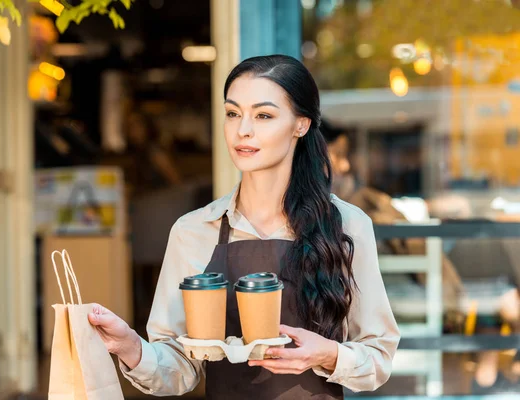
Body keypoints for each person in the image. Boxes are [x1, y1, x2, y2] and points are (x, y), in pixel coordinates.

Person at [87, 55, 400, 399]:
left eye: (263, 115)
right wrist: (130, 345)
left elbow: (378, 358)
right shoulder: (193, 231)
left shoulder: (347, 225)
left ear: (301, 125)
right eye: (233, 113)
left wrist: (328, 354)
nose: (243, 130)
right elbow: (178, 371)